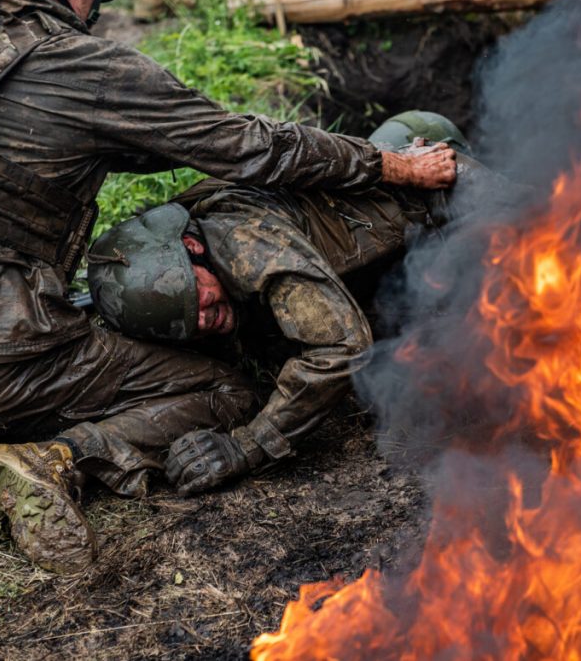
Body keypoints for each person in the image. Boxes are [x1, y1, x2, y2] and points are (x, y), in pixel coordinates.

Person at [0, 0, 455, 573]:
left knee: (100, 312)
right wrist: (389, 163)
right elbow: (247, 145)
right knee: (222, 390)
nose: (98, 10)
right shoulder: (79, 64)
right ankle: (53, 458)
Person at [88, 112, 505, 496]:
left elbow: (340, 349)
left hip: (442, 183)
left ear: (193, 247)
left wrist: (247, 447)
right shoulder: (168, 272)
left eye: (197, 298)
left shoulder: (244, 243)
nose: (204, 318)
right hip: (383, 253)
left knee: (550, 252)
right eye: (186, 322)